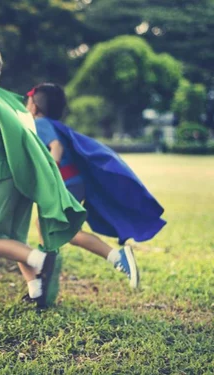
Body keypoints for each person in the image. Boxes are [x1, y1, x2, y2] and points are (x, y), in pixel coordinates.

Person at [0, 44, 86, 308]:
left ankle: (42, 260)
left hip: (1, 175)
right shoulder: (16, 100)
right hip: (24, 175)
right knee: (15, 240)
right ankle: (36, 290)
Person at [27, 83, 167, 288]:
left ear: (35, 106)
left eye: (28, 100)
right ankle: (46, 271)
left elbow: (56, 148)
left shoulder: (40, 123)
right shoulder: (51, 123)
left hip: (65, 183)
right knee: (46, 226)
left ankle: (117, 258)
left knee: (68, 232)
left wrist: (50, 176)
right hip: (73, 183)